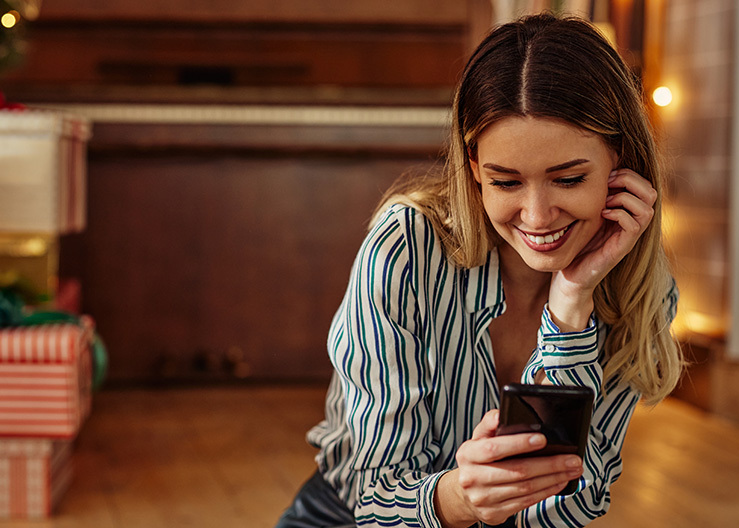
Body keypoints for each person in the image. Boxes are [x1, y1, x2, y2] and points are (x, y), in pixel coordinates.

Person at [276, 13, 681, 528]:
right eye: (507, 183)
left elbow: (570, 507)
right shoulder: (406, 246)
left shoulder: (644, 290)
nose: (537, 217)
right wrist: (461, 498)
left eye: (569, 178)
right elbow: (377, 504)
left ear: (620, 164)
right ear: (474, 169)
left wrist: (571, 305)